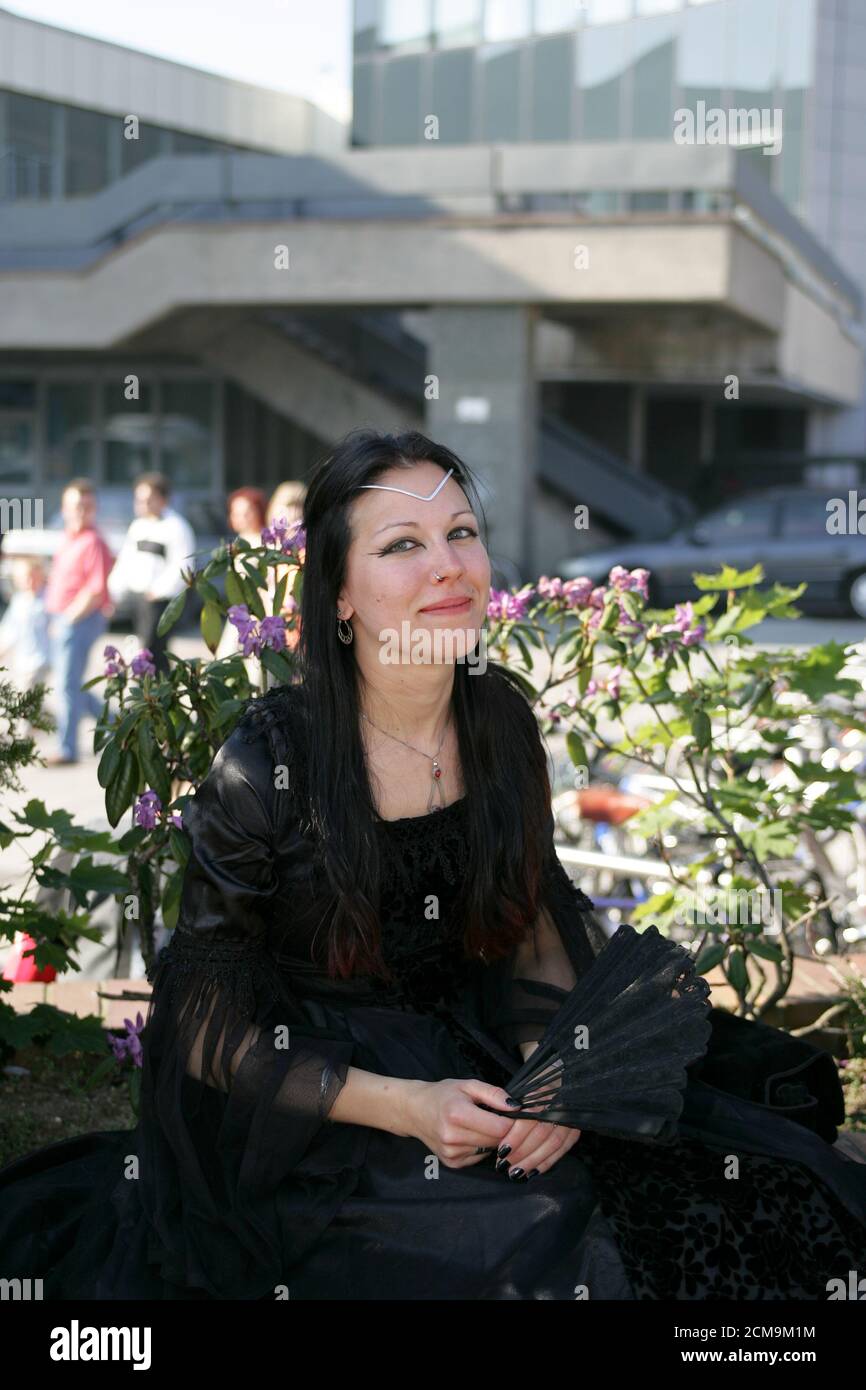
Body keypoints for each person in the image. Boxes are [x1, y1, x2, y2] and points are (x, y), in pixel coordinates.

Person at [1, 428, 865, 1301]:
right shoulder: (270, 759)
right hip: (322, 1106)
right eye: (403, 545)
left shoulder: (499, 722)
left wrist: (557, 1072)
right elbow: (202, 1027)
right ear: (339, 596)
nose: (448, 565)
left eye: (461, 533)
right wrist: (408, 1107)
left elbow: (532, 923)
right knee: (552, 1254)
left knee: (762, 1186)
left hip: (482, 1046)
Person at [42, 480, 114, 766]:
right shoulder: (67, 538)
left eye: (86, 506)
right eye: (75, 505)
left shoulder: (93, 541)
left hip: (79, 619)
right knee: (71, 685)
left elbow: (95, 590)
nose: (80, 511)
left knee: (67, 686)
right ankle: (118, 725)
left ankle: (67, 749)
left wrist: (67, 620)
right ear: (65, 508)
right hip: (61, 618)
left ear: (93, 508)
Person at [107, 472, 195, 676]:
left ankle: (158, 697)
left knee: (151, 651)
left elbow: (183, 566)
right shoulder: (138, 526)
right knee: (149, 651)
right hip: (140, 600)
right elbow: (125, 561)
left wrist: (158, 591)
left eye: (148, 499)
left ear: (163, 499)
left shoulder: (177, 527)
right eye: (139, 499)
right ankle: (154, 699)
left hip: (161, 602)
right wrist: (114, 590)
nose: (142, 504)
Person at [215, 486, 268, 681]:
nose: (241, 517)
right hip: (239, 615)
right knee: (223, 662)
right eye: (236, 513)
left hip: (258, 616)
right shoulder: (240, 542)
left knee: (257, 672)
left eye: (247, 512)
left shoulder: (264, 543)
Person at [0, 554, 51, 691]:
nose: (30, 582)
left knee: (25, 696)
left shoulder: (48, 599)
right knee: (31, 701)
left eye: (33, 577)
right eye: (25, 578)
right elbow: (9, 631)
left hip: (40, 660)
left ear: (41, 576)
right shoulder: (19, 601)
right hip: (22, 660)